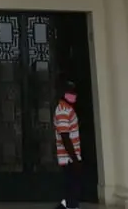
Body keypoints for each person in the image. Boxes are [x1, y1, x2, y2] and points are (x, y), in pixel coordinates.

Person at [53, 80, 83, 209]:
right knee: (72, 193)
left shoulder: (68, 109)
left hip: (71, 158)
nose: (73, 94)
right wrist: (74, 159)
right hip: (69, 159)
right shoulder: (63, 110)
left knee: (71, 194)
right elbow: (65, 137)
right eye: (70, 91)